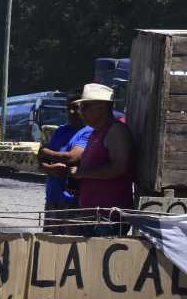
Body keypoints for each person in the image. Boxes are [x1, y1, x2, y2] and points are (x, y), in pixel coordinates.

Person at [66, 84, 134, 232]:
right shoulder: (96, 132)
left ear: (102, 107)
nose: (81, 111)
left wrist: (82, 173)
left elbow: (119, 167)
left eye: (85, 106)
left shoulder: (116, 131)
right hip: (94, 216)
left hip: (108, 217)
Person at [39, 94, 93, 227]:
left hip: (73, 203)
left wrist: (44, 151)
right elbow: (41, 162)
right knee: (49, 243)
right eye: (68, 108)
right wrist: (48, 168)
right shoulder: (60, 130)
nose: (70, 112)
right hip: (53, 199)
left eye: (75, 108)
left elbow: (72, 157)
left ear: (85, 108)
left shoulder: (89, 132)